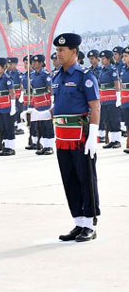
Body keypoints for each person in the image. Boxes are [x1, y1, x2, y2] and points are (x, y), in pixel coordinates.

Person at [51, 33, 100, 242]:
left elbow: (95, 106)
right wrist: (43, 113)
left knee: (85, 179)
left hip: (81, 138)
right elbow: (59, 106)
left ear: (74, 52)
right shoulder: (56, 76)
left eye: (62, 50)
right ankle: (78, 222)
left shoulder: (84, 76)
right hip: (62, 138)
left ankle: (90, 223)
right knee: (69, 180)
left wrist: (94, 135)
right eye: (57, 50)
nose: (58, 54)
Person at [29, 55, 54, 155]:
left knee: (48, 125)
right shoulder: (33, 74)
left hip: (45, 103)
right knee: (41, 126)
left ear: (41, 63)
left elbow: (50, 87)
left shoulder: (45, 74)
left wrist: (52, 101)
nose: (33, 64)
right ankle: (45, 145)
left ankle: (50, 146)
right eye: (33, 62)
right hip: (37, 103)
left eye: (35, 62)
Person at [97, 50, 121, 148]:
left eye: (103, 59)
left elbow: (117, 84)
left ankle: (117, 141)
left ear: (108, 59)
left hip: (112, 99)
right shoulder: (102, 69)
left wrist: (118, 97)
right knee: (107, 120)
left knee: (114, 120)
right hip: (104, 100)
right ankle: (112, 140)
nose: (102, 61)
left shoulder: (112, 69)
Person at [0, 57, 16, 156]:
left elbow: (12, 93)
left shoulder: (7, 79)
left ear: (4, 67)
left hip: (7, 107)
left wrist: (13, 106)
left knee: (9, 127)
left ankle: (11, 147)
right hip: (0, 107)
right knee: (2, 127)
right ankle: (6, 146)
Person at [120, 47, 129, 153]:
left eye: (126, 56)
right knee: (127, 123)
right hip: (125, 101)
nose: (124, 58)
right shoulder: (123, 69)